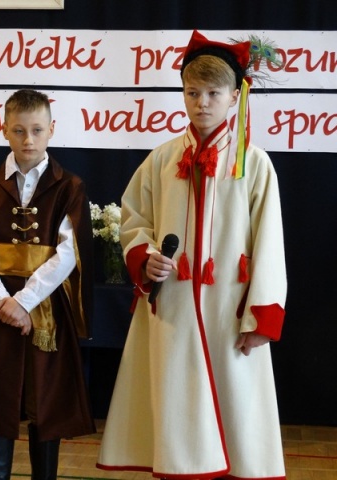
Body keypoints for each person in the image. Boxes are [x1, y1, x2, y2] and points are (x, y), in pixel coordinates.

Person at [97, 30, 287, 479]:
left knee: (234, 414)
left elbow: (269, 244)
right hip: (174, 309)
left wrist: (262, 316)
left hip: (229, 310)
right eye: (192, 92)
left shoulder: (253, 163)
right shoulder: (162, 159)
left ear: (235, 97)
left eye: (213, 93)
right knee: (176, 410)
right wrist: (145, 257)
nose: (202, 103)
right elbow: (134, 218)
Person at [0, 89, 95, 479]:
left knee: (46, 401)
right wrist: (1, 301)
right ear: (4, 130)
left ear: (51, 130)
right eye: (19, 130)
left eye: (37, 130)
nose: (28, 139)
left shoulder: (68, 185)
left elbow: (68, 252)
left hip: (47, 306)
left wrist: (24, 301)